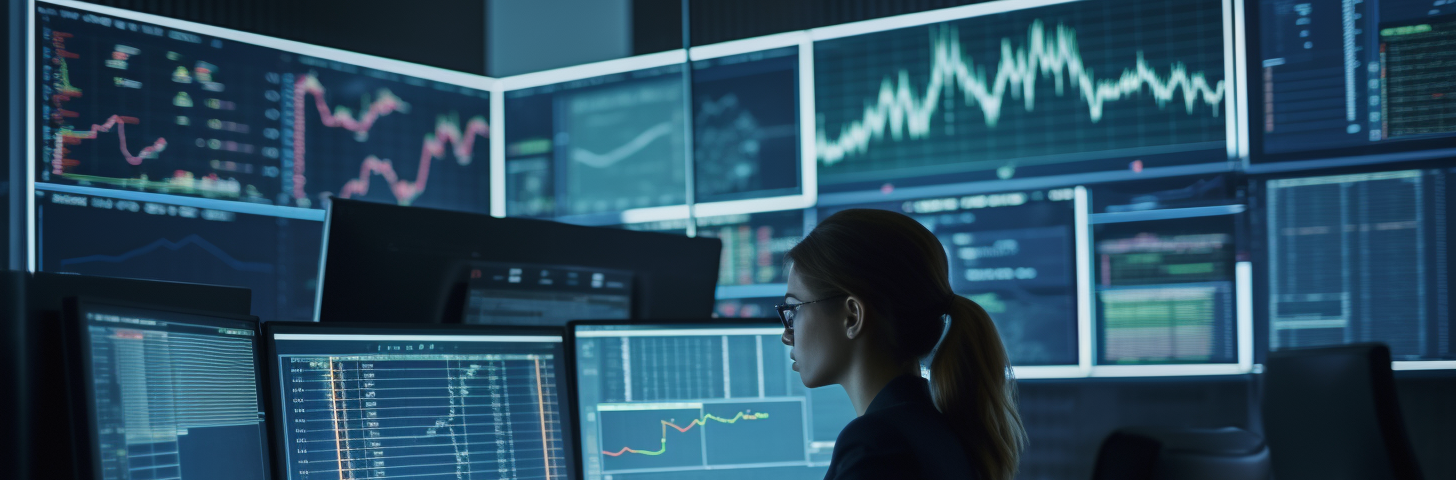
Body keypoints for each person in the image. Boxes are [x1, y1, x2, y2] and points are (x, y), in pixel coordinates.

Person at [778, 208, 1025, 480]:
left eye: (794, 311)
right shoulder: (936, 432)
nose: (786, 335)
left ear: (852, 316)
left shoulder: (875, 445)